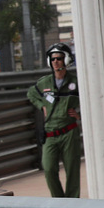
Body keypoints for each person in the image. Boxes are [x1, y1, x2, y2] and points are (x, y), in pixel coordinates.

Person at [27, 42, 82, 197]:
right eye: (53, 59)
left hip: (69, 131)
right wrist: (41, 105)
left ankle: (73, 203)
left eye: (59, 58)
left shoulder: (76, 82)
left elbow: (90, 99)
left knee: (72, 169)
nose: (55, 62)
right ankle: (59, 200)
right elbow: (31, 93)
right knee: (49, 168)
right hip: (50, 133)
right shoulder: (44, 82)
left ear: (66, 60)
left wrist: (79, 115)